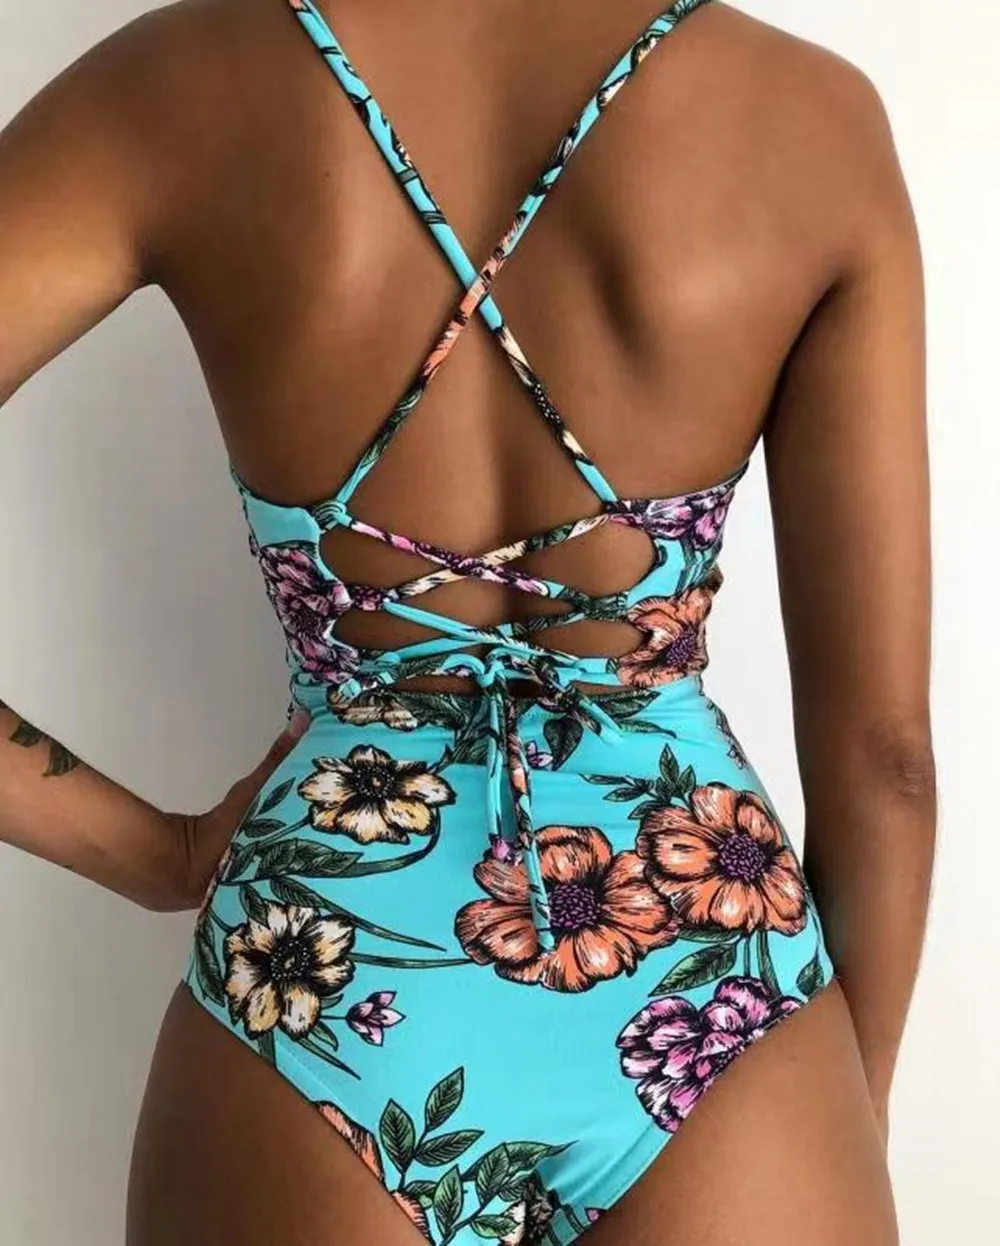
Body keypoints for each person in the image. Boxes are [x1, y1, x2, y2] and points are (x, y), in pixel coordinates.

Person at [0, 2, 935, 1244]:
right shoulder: (810, 116)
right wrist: (837, 1113)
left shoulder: (181, 81)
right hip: (710, 966)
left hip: (326, 959)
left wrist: (161, 854)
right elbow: (886, 761)